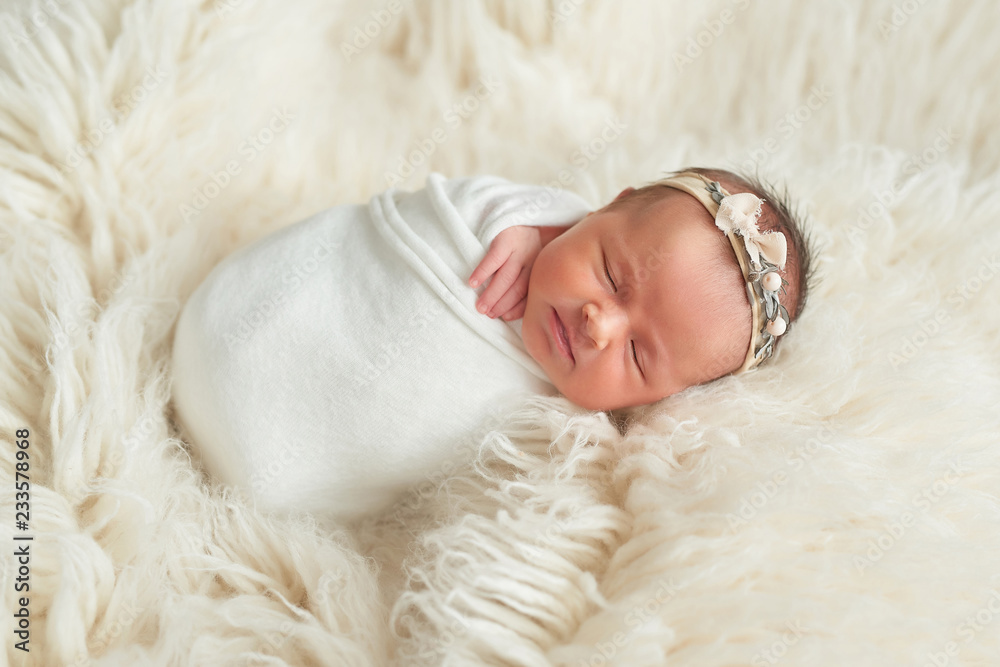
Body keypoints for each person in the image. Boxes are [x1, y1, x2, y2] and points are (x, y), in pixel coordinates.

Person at [170, 168, 812, 521]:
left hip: (277, 477)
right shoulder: (513, 226)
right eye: (612, 276)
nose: (599, 326)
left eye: (638, 355)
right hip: (231, 323)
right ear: (599, 211)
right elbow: (451, 204)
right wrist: (529, 224)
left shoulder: (572, 431)